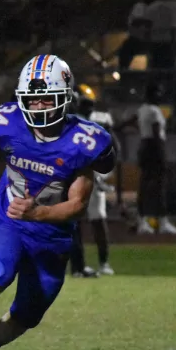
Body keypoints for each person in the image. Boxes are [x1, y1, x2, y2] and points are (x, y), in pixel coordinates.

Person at [0, 54, 116, 350]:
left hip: (53, 234)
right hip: (11, 217)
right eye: (32, 99)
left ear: (64, 98)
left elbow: (77, 206)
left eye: (46, 99)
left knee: (29, 312)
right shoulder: (8, 121)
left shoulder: (84, 141)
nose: (38, 106)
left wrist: (38, 214)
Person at [69, 84, 118, 277]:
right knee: (75, 223)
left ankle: (91, 264)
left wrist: (103, 173)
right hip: (76, 177)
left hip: (88, 177)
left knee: (93, 221)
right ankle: (78, 266)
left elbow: (113, 145)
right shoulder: (68, 123)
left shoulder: (91, 124)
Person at [136, 83, 176, 235]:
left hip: (144, 145)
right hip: (154, 148)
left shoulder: (142, 109)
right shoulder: (155, 110)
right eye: (158, 92)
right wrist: (163, 156)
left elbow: (134, 121)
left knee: (144, 185)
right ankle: (162, 221)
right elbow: (156, 133)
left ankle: (142, 220)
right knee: (159, 185)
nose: (160, 95)